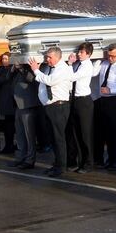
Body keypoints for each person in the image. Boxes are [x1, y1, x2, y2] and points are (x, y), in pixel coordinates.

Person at [30, 47, 73, 178]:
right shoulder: (50, 68)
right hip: (50, 106)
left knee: (58, 138)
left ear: (57, 57)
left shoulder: (62, 69)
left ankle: (61, 166)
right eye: (46, 57)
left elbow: (50, 81)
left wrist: (35, 70)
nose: (47, 59)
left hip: (58, 107)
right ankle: (57, 163)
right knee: (53, 138)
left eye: (49, 57)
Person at [93, 43, 116, 171]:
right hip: (104, 101)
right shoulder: (104, 64)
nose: (110, 58)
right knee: (107, 132)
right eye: (108, 55)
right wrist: (99, 59)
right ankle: (110, 158)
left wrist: (111, 90)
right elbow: (93, 73)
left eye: (113, 56)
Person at [68, 43, 96, 173]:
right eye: (79, 51)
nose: (79, 54)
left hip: (84, 101)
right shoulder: (79, 64)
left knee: (85, 134)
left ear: (88, 54)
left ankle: (89, 163)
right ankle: (81, 162)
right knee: (77, 133)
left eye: (82, 52)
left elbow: (72, 77)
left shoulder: (86, 66)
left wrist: (69, 64)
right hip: (76, 100)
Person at [10, 63, 41, 169]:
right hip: (19, 105)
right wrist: (14, 70)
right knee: (20, 134)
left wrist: (23, 69)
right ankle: (20, 157)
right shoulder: (16, 72)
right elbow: (7, 79)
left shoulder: (30, 69)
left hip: (28, 105)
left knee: (29, 135)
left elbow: (32, 79)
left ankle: (30, 159)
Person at [0, 53, 16, 154]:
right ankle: (8, 145)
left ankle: (9, 146)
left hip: (9, 101)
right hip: (5, 100)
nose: (3, 61)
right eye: (2, 59)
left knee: (9, 126)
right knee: (7, 126)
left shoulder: (11, 70)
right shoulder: (3, 70)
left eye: (6, 59)